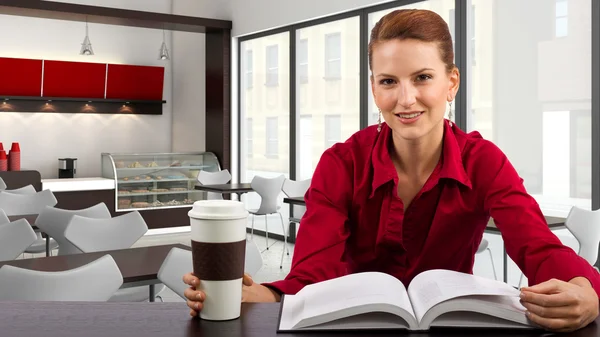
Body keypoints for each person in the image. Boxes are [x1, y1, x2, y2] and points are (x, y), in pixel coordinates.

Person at [183, 9, 600, 332]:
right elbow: (314, 270)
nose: (406, 99)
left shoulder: (483, 159)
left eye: (422, 77)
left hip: (450, 327)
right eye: (388, 81)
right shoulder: (340, 163)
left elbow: (538, 247)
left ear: (450, 83)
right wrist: (266, 294)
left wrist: (589, 293)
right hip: (349, 327)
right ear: (373, 88)